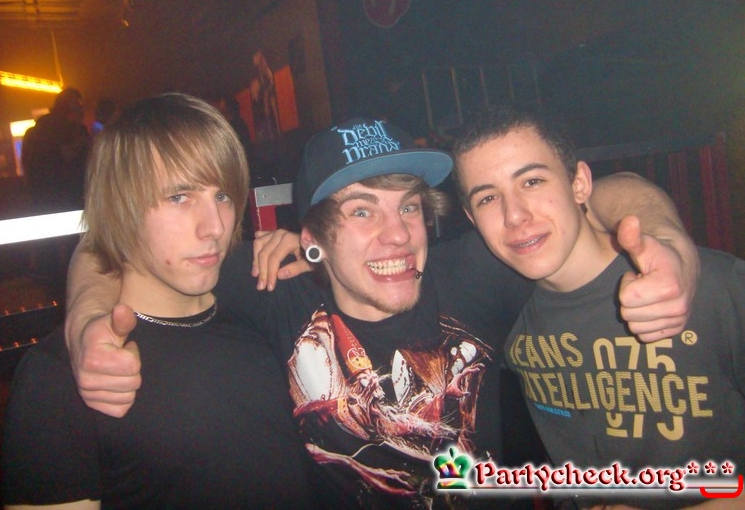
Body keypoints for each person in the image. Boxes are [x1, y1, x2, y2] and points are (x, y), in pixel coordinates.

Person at [65, 117, 698, 509]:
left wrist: (668, 242)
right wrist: (86, 323)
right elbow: (113, 248)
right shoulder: (275, 290)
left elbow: (604, 194)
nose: (397, 235)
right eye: (362, 211)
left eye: (408, 207)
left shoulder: (472, 274)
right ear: (313, 235)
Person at [2, 93, 315, 509]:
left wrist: (321, 256)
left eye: (222, 196)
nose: (214, 227)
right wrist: (83, 317)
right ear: (121, 206)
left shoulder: (262, 296)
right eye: (179, 197)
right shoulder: (69, 373)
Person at [450, 107, 744, 509]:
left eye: (532, 181)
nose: (514, 215)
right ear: (471, 218)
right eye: (488, 198)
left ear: (579, 184)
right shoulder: (504, 317)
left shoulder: (702, 285)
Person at [21, 87, 91, 301]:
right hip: (67, 199)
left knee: (49, 248)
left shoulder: (34, 132)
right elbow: (68, 159)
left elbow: (28, 167)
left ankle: (52, 290)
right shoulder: (69, 131)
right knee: (73, 246)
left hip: (42, 199)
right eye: (78, 106)